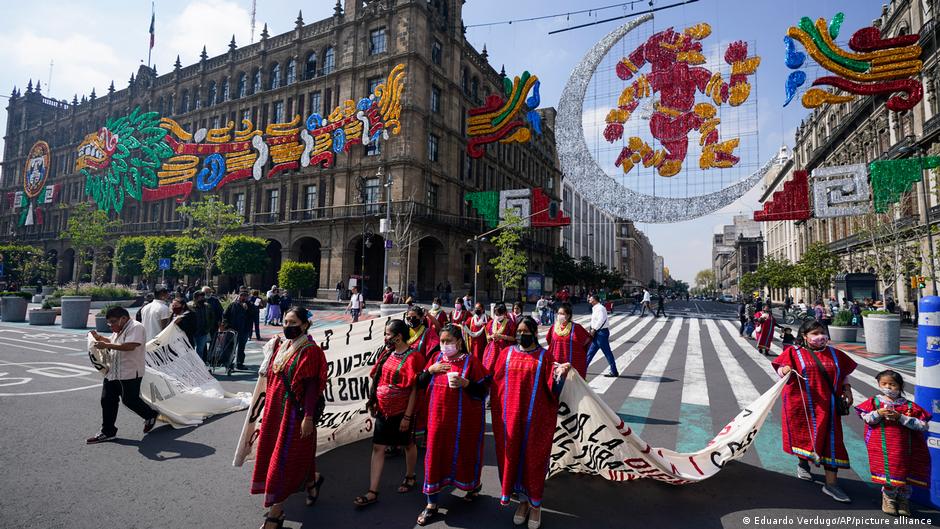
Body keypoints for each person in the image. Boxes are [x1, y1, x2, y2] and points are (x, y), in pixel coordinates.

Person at [251, 307, 328, 529]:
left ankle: (276, 514)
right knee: (295, 455)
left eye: (292, 322)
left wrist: (309, 418)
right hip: (276, 412)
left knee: (283, 462)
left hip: (295, 414)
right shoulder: (282, 346)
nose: (287, 326)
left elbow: (313, 387)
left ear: (304, 325)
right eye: (285, 321)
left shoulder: (310, 351)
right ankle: (313, 481)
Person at [491, 317, 570, 529]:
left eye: (525, 332)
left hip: (535, 422)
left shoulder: (545, 357)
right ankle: (523, 503)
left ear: (535, 333)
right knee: (513, 461)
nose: (520, 335)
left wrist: (561, 374)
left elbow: (552, 389)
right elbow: (497, 385)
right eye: (518, 331)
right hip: (511, 420)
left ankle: (536, 506)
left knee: (532, 462)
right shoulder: (506, 354)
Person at [772, 320, 857, 503]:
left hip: (830, 407)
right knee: (804, 436)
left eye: (822, 332)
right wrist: (784, 370)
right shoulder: (794, 353)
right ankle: (803, 463)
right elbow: (781, 369)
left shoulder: (835, 354)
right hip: (802, 405)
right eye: (815, 333)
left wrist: (847, 389)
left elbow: (843, 374)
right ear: (805, 336)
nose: (820, 336)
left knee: (831, 441)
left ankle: (831, 484)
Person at [414, 324, 488, 525]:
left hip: (463, 423)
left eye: (449, 342)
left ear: (459, 342)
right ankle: (431, 503)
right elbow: (419, 382)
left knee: (465, 453)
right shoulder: (435, 359)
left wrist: (466, 384)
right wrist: (430, 370)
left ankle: (472, 487)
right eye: (442, 341)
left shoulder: (470, 362)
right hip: (437, 421)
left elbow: (483, 391)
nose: (445, 345)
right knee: (435, 457)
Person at [354, 319, 424, 508]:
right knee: (378, 448)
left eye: (387, 334)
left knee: (408, 445)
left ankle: (410, 476)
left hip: (402, 412)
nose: (385, 337)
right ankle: (373, 491)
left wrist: (408, 417)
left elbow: (414, 390)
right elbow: (378, 378)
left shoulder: (414, 357)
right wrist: (375, 401)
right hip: (383, 411)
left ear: (398, 336)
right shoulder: (387, 354)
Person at [855, 370, 931, 517]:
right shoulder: (874, 402)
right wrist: (878, 413)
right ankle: (888, 498)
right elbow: (867, 418)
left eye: (892, 384)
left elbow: (922, 426)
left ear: (900, 386)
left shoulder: (910, 406)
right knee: (889, 472)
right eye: (884, 384)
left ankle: (903, 500)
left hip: (906, 448)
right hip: (883, 447)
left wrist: (901, 417)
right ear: (878, 384)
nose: (888, 387)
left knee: (905, 473)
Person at [86, 306, 160, 444]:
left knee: (129, 400)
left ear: (123, 318)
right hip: (113, 372)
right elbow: (112, 342)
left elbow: (130, 346)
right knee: (107, 400)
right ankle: (107, 432)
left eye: (113, 322)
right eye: (109, 323)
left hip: (129, 372)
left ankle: (150, 414)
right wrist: (99, 338)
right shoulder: (119, 329)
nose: (111, 325)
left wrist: (107, 345)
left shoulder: (136, 327)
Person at [545, 303, 592, 378]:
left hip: (571, 363)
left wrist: (577, 349)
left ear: (568, 315)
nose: (559, 315)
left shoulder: (576, 328)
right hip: (556, 361)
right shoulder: (554, 327)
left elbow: (587, 340)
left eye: (562, 313)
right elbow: (549, 341)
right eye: (558, 313)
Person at [586, 294, 619, 377]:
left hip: (601, 333)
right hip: (597, 333)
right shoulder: (595, 308)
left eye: (590, 298)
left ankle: (614, 371)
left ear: (595, 300)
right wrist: (591, 329)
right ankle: (583, 368)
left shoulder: (600, 308)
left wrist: (594, 329)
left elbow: (601, 320)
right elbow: (594, 320)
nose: (589, 299)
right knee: (590, 352)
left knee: (607, 352)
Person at [482, 303, 517, 374]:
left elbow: (514, 338)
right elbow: (487, 336)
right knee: (489, 369)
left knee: (501, 370)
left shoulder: (510, 323)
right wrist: (491, 337)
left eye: (499, 314)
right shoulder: (491, 322)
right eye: (496, 314)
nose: (497, 316)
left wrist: (502, 336)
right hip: (491, 350)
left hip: (504, 350)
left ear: (504, 313)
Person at [224, 288, 253, 370]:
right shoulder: (233, 305)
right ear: (239, 296)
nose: (243, 297)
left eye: (245, 296)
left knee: (241, 348)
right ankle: (229, 363)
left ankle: (239, 363)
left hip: (244, 330)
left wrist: (248, 309)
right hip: (234, 329)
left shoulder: (249, 305)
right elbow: (225, 315)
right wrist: (227, 326)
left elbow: (253, 316)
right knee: (231, 347)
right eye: (242, 295)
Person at [189, 290, 212, 361]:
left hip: (203, 332)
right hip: (192, 332)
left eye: (203, 296)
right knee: (190, 351)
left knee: (200, 351)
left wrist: (208, 328)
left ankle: (199, 367)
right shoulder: (189, 306)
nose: (202, 298)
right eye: (200, 297)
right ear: (195, 298)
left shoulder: (207, 306)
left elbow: (211, 317)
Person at [203, 286, 224, 351]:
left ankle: (210, 354)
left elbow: (220, 311)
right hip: (203, 325)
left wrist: (220, 321)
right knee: (203, 342)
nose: (208, 293)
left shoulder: (215, 300)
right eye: (206, 292)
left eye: (209, 292)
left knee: (213, 340)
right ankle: (204, 357)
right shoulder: (200, 300)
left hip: (213, 324)